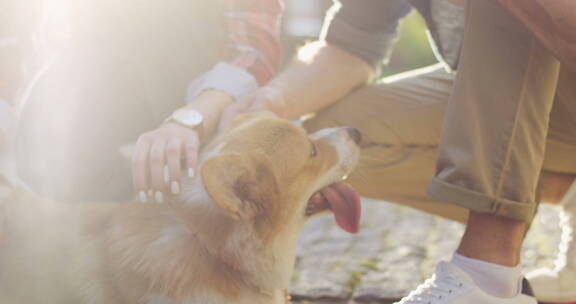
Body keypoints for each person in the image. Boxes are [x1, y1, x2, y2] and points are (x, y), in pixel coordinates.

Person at [16, 0, 575, 303]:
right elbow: (349, 49)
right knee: (336, 131)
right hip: (524, 111)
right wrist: (267, 108)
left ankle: (487, 278)